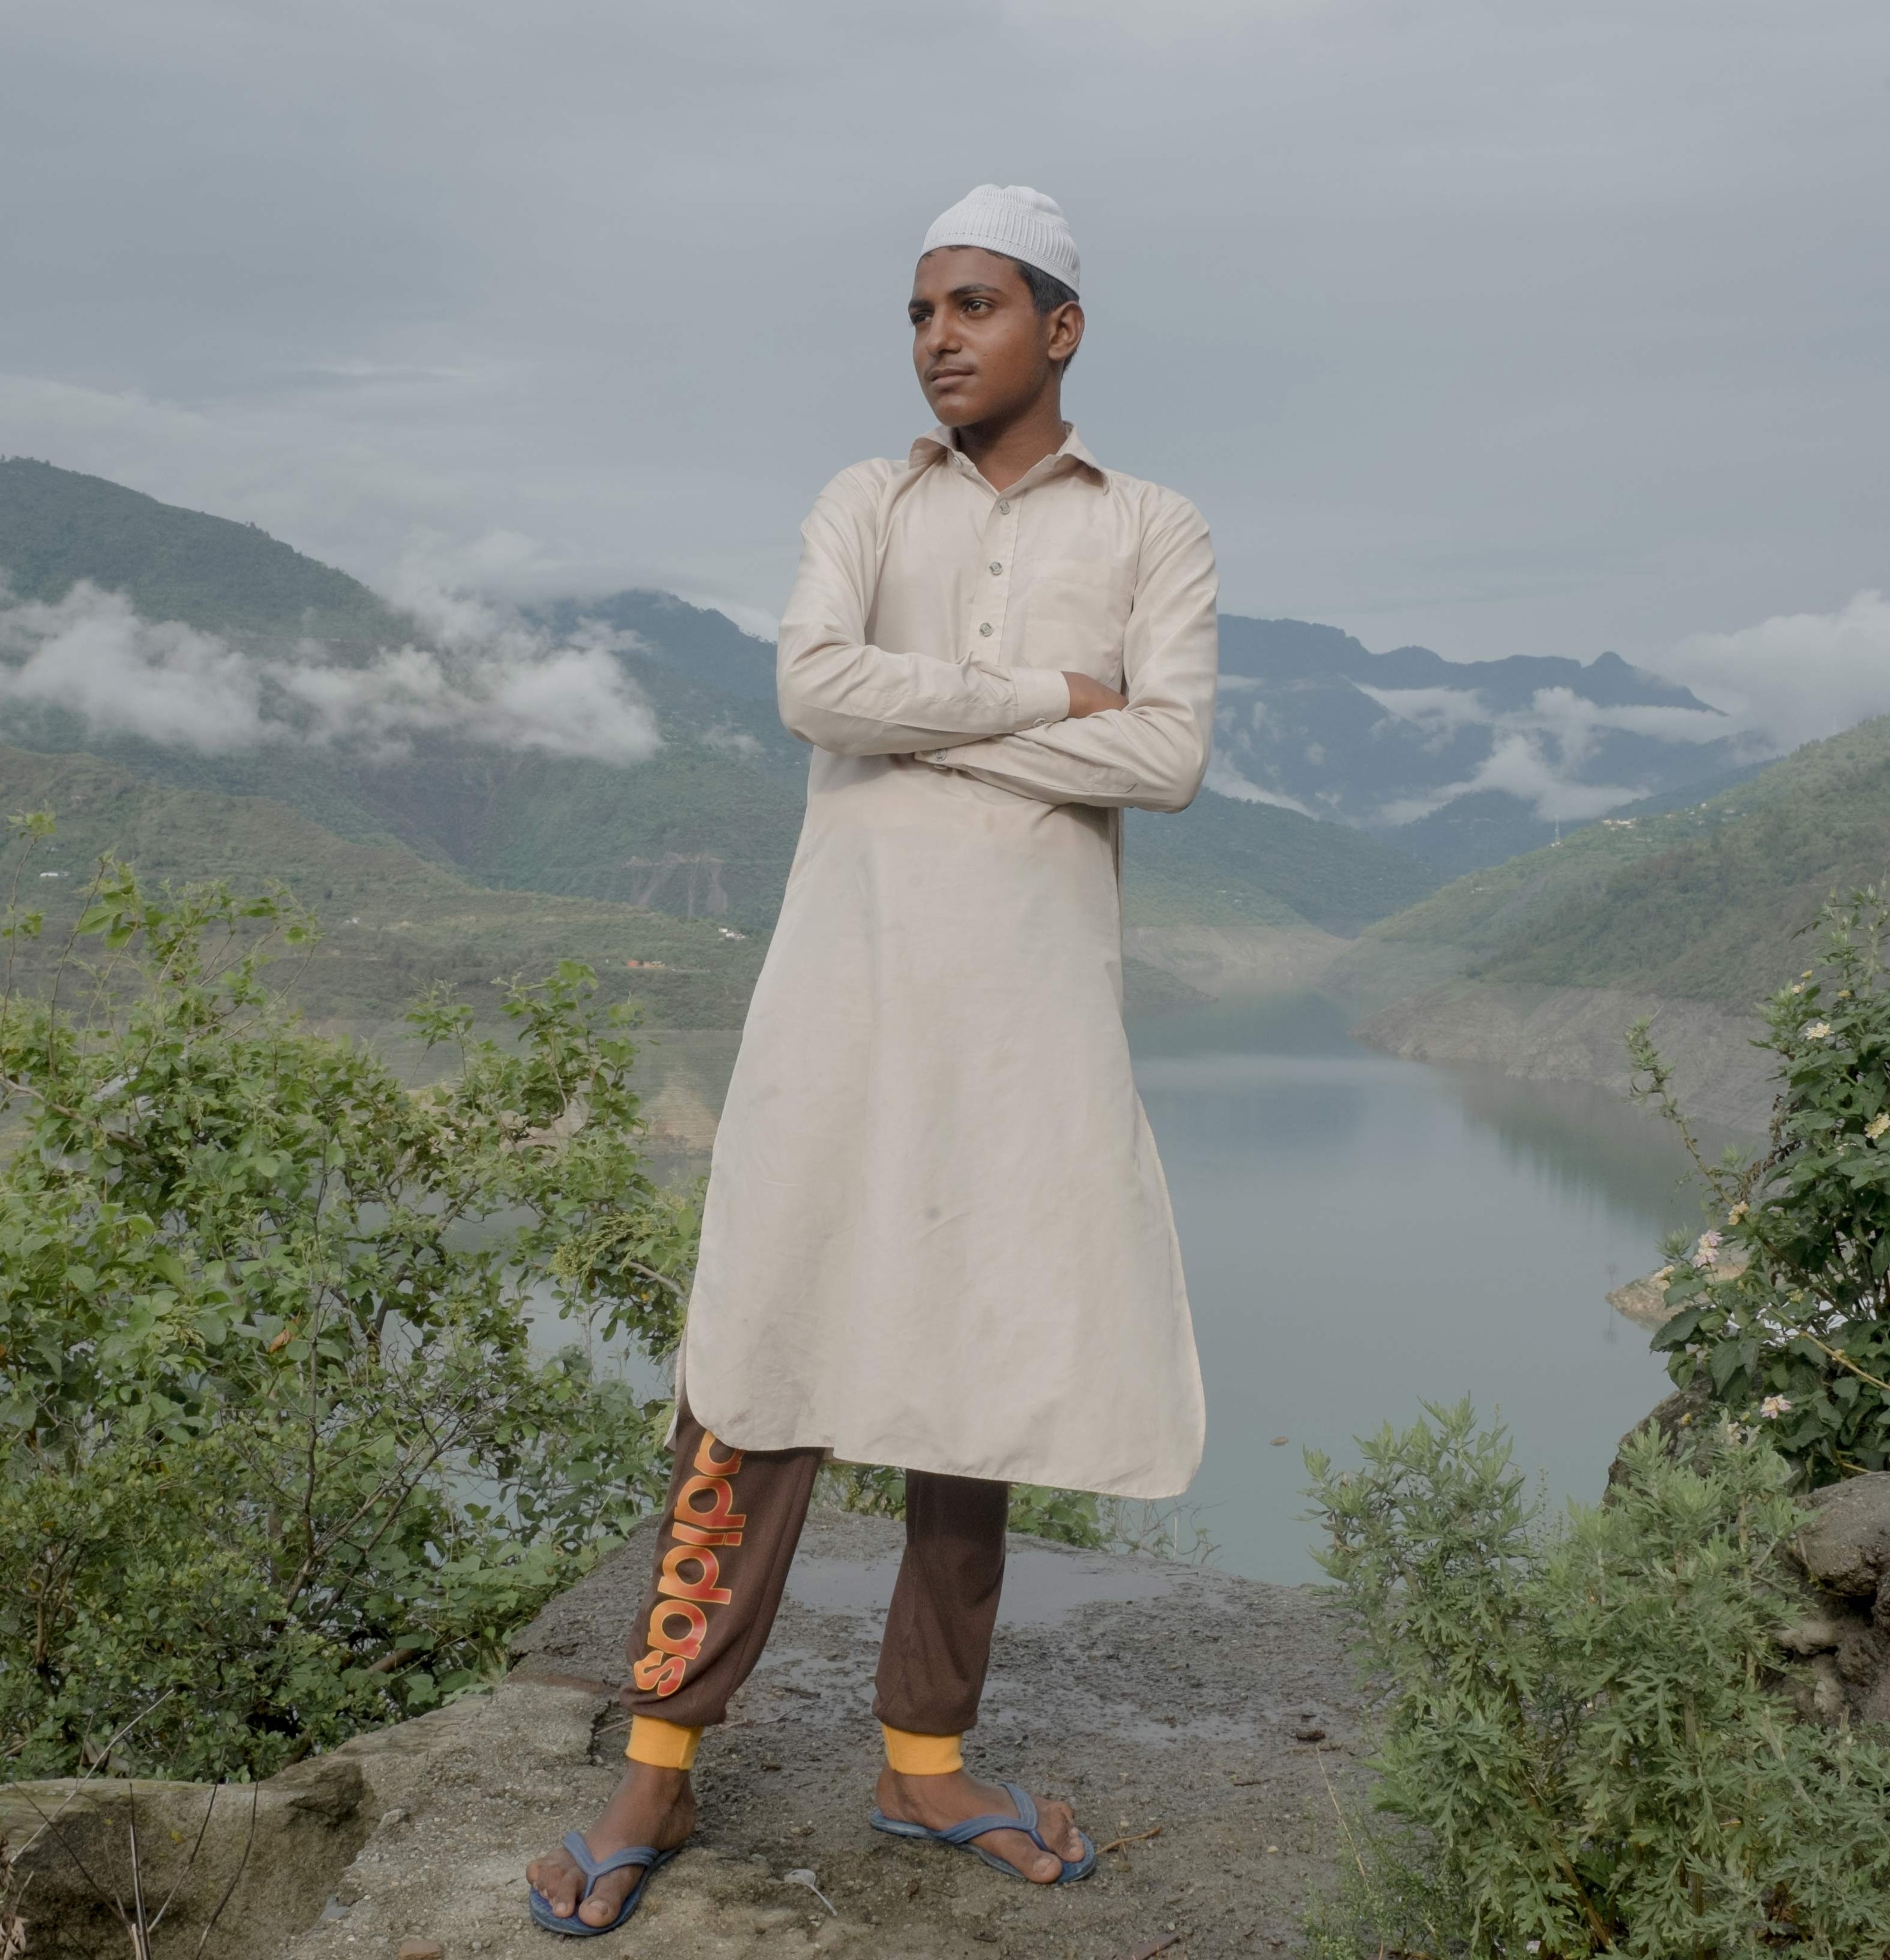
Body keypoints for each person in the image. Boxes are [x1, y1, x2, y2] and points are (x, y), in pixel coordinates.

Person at [528, 181, 1218, 1936]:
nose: (935, 343)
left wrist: (966, 732)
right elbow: (820, 692)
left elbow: (1175, 756)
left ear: (1059, 327)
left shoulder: (1154, 527)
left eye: (972, 309)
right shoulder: (864, 501)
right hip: (844, 999)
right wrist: (1054, 703)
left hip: (1027, 1025)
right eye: (918, 315)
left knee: (970, 1379)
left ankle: (927, 1759)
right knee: (758, 1357)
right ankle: (658, 1767)